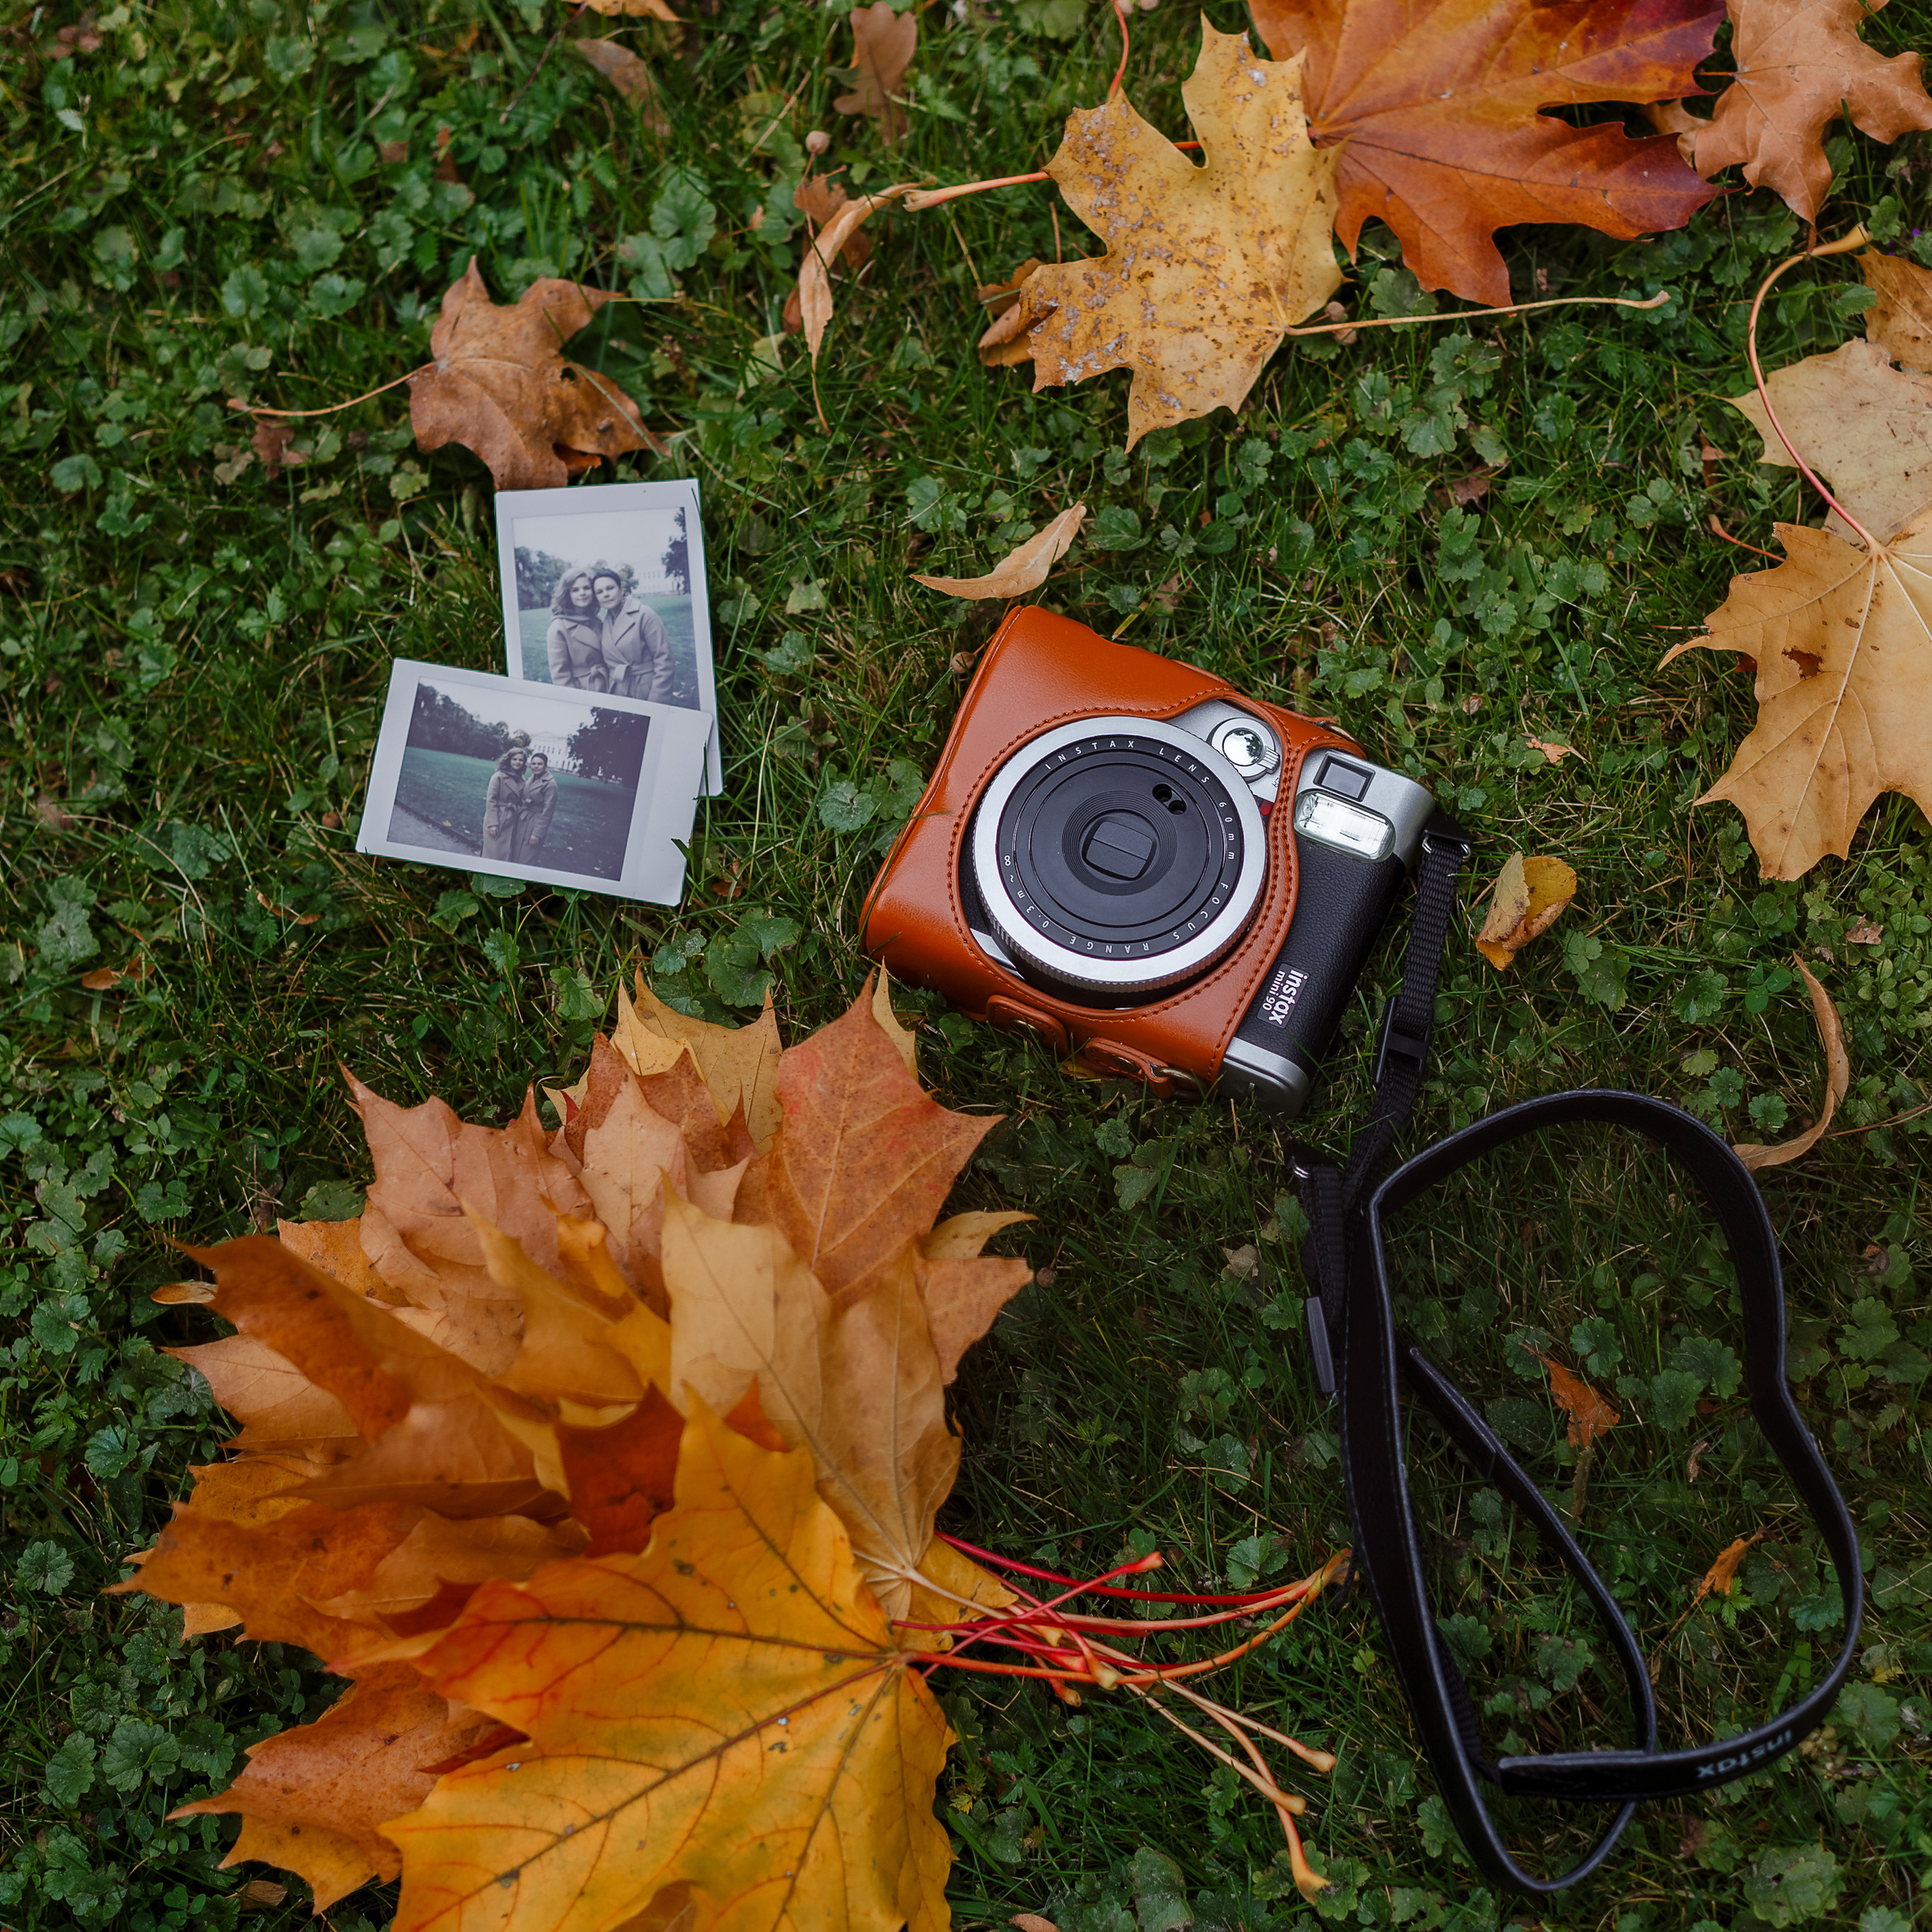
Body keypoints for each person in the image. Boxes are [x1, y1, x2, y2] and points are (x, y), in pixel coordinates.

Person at [592, 568, 675, 703]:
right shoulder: (604, 623)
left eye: (610, 588)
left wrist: (657, 703)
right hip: (617, 692)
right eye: (600, 592)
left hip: (645, 691)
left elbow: (665, 661)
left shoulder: (645, 614)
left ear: (621, 589)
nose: (605, 594)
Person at [546, 569, 608, 691]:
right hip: (585, 689)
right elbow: (560, 676)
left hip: (608, 684)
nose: (582, 593)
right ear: (567, 594)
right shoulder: (559, 627)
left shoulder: (597, 619)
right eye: (575, 590)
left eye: (586, 588)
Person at [481, 745, 527, 861]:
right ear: (509, 760)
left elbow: (522, 798)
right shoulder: (498, 776)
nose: (518, 762)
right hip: (498, 818)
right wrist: (492, 824)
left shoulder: (522, 779)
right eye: (515, 759)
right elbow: (491, 800)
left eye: (521, 760)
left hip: (511, 819)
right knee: (492, 853)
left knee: (504, 855)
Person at [515, 752, 558, 860]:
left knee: (527, 856)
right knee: (516, 853)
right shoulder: (530, 779)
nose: (536, 766)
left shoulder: (550, 784)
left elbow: (548, 811)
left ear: (545, 766)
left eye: (540, 764)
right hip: (523, 819)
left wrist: (537, 834)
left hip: (536, 822)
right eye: (533, 764)